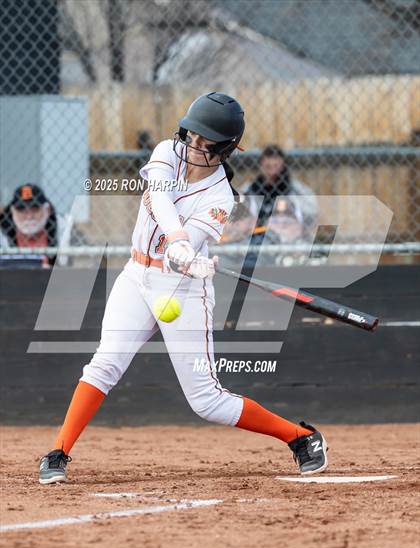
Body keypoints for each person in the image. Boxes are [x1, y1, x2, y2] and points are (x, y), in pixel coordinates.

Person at [38, 92, 328, 485]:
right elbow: (159, 196)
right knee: (104, 363)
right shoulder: (166, 151)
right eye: (192, 135)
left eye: (206, 143)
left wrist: (188, 257)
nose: (194, 146)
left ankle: (300, 437)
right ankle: (58, 452)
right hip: (136, 276)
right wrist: (177, 240)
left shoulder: (220, 197)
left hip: (183, 290)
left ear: (225, 150)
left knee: (206, 400)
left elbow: (183, 250)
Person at [243, 144, 318, 241]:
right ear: (260, 166)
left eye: (276, 167)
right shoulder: (248, 190)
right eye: (268, 167)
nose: (272, 173)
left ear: (283, 167)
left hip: (289, 238)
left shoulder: (297, 191)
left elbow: (312, 215)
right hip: (255, 237)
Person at [0, 183, 85, 267]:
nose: (29, 216)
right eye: (22, 210)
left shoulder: (64, 229)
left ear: (47, 210)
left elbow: (85, 262)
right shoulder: (2, 232)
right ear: (12, 212)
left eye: (35, 209)